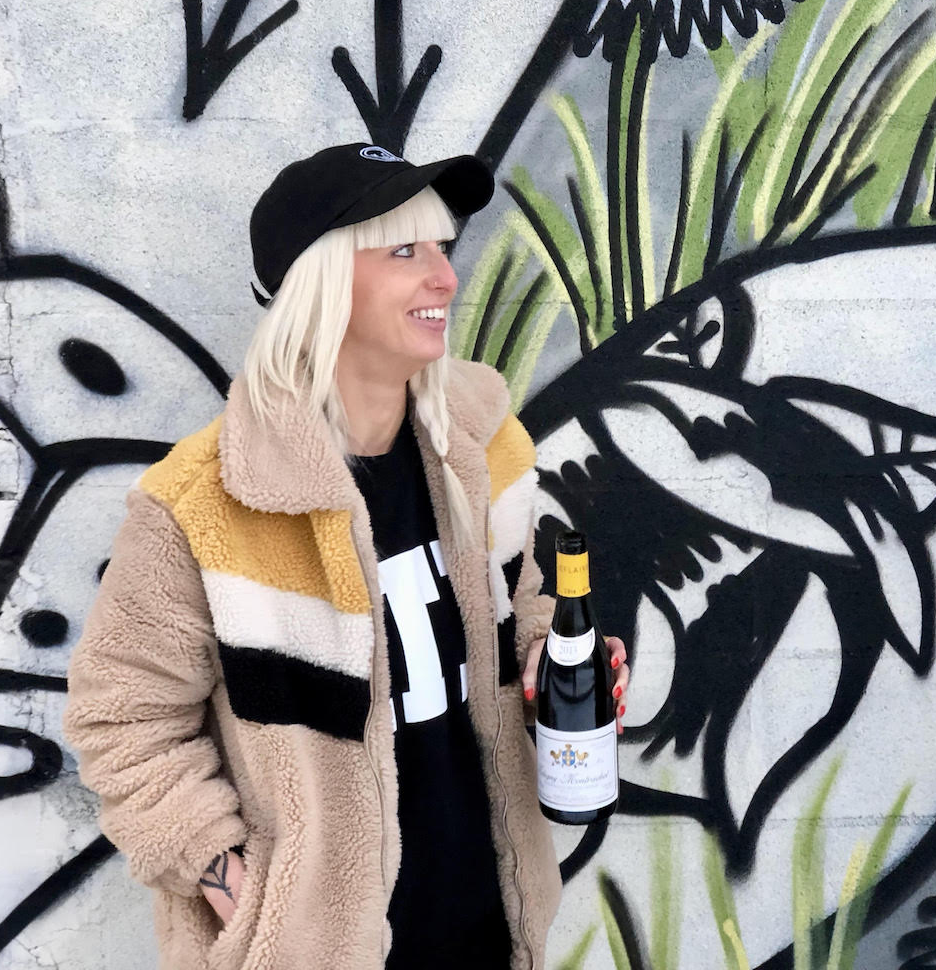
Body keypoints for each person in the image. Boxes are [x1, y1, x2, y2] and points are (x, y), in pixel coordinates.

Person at [63, 143, 629, 970]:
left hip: (489, 924)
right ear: (319, 287)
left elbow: (525, 602)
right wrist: (239, 886)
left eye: (443, 248)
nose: (445, 279)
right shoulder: (203, 505)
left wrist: (555, 657)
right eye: (406, 251)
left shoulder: (484, 448)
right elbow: (122, 720)